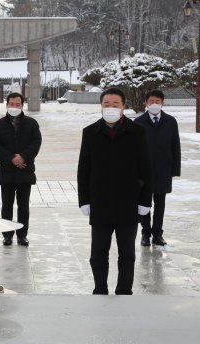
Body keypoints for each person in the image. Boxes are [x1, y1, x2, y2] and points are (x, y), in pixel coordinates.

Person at [77, 87, 152, 295]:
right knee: (98, 253)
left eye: (115, 104)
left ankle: (124, 289)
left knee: (127, 252)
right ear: (101, 107)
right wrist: (84, 199)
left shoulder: (137, 132)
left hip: (128, 202)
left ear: (123, 107)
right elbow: (84, 169)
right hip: (100, 202)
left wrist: (145, 200)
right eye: (106, 104)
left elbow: (146, 168)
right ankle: (100, 287)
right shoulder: (90, 132)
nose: (110, 108)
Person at [0, 92, 42, 247]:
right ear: (6, 105)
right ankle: (7, 235)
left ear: (22, 105)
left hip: (25, 170)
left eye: (17, 104)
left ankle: (22, 235)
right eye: (11, 104)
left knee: (23, 206)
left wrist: (23, 157)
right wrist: (12, 158)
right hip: (6, 171)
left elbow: (36, 142)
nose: (14, 107)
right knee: (6, 205)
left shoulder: (32, 124)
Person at [134, 90, 181, 247]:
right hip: (143, 171)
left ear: (163, 103)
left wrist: (175, 169)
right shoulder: (138, 122)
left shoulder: (170, 121)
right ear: (146, 103)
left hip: (163, 169)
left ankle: (158, 234)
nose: (154, 104)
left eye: (158, 101)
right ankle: (145, 233)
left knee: (160, 204)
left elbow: (176, 146)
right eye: (151, 101)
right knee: (144, 204)